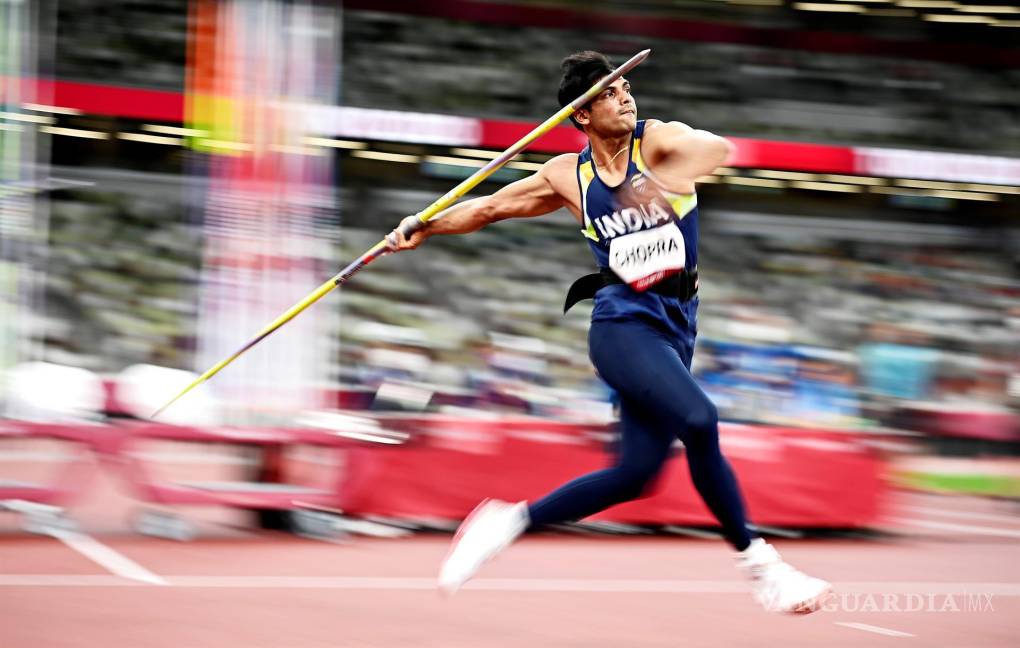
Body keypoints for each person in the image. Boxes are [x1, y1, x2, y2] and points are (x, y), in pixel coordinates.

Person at [385, 51, 832, 614]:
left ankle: (509, 520)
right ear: (582, 115)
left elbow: (718, 150)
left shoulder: (659, 142)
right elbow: (493, 207)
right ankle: (763, 567)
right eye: (610, 91)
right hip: (622, 322)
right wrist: (424, 226)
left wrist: (665, 179)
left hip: (677, 325)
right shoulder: (568, 176)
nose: (626, 95)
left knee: (634, 476)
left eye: (626, 86)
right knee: (700, 420)